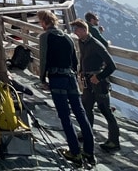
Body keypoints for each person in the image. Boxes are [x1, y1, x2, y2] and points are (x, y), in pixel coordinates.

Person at [37, 10, 95, 167]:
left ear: (44, 22)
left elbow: (43, 59)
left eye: (40, 22)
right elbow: (75, 60)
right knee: (81, 114)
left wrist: (42, 79)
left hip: (57, 79)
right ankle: (89, 152)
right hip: (70, 78)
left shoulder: (45, 37)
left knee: (65, 116)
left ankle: (75, 152)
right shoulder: (68, 37)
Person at [71, 18, 120, 154]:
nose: (75, 32)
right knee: (86, 107)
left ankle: (114, 141)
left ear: (84, 30)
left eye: (77, 30)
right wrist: (81, 71)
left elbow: (112, 66)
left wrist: (98, 77)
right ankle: (87, 132)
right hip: (88, 81)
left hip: (99, 83)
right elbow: (82, 57)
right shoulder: (82, 42)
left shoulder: (96, 44)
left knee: (105, 111)